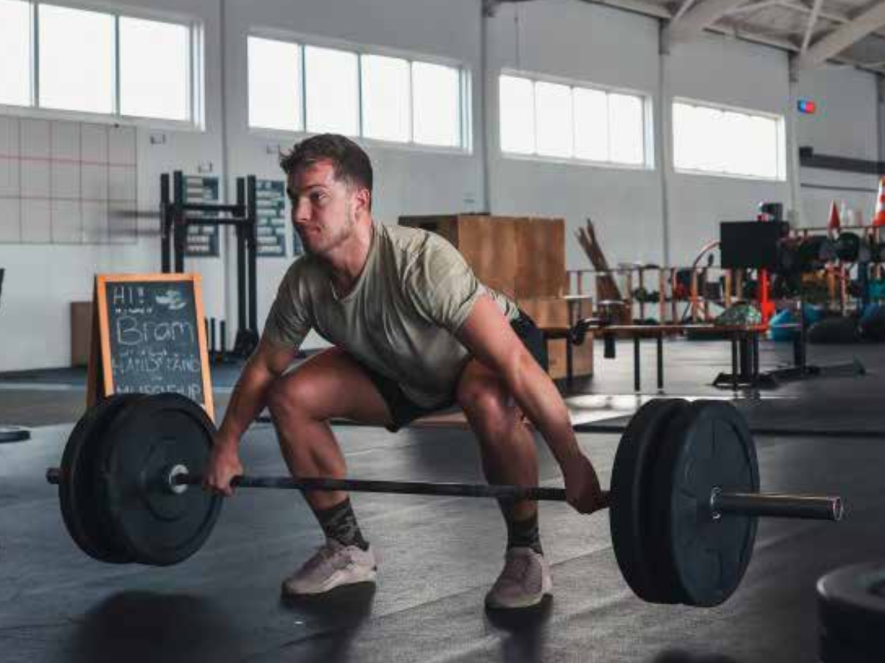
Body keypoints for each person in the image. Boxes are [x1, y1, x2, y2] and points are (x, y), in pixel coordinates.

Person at [202, 134, 606, 609]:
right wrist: (225, 445)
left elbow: (512, 361)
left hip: (480, 356)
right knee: (291, 395)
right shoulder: (304, 282)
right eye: (295, 199)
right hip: (399, 366)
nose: (299, 214)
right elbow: (263, 367)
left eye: (316, 198)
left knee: (487, 397)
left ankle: (526, 552)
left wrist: (572, 461)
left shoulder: (420, 261)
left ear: (359, 201)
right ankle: (347, 547)